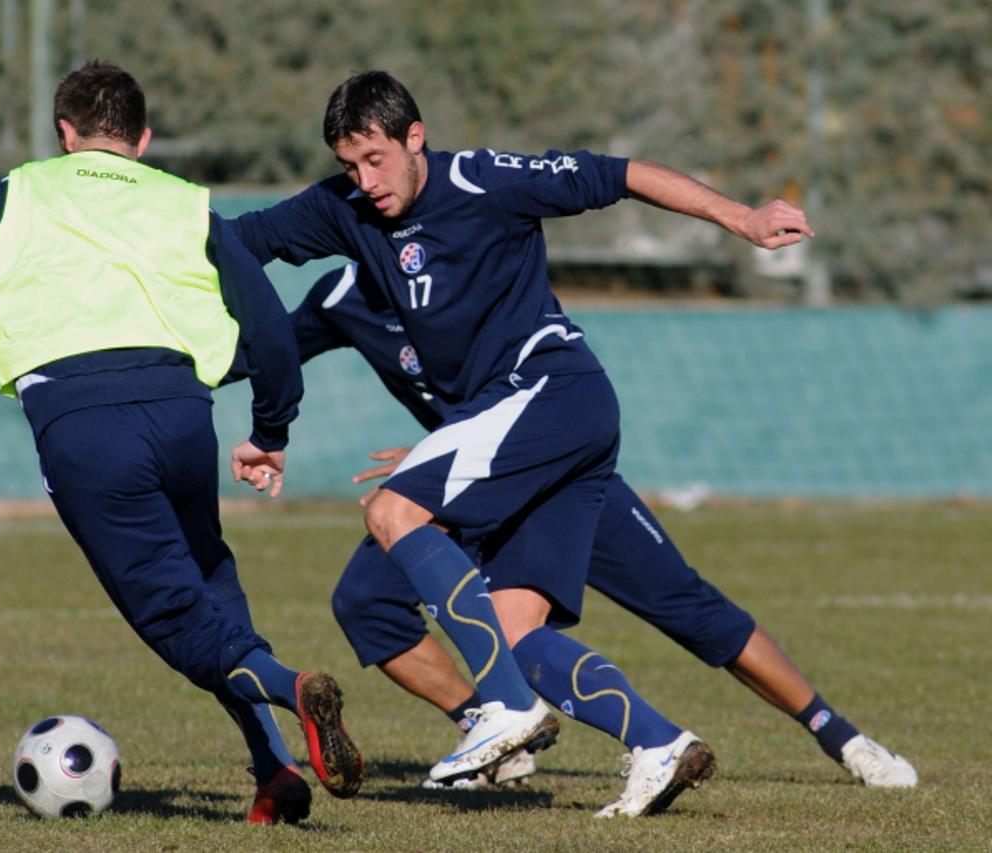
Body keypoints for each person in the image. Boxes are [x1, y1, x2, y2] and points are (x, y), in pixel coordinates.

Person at [229, 69, 819, 817]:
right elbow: (238, 240)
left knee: (392, 511)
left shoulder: (485, 181)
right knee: (515, 634)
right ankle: (660, 745)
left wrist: (742, 218)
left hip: (551, 391)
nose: (365, 181)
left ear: (416, 138)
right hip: (538, 426)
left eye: (376, 159)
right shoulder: (345, 207)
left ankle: (503, 709)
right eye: (350, 165)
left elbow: (621, 175)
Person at [0, 61, 362, 825]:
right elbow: (268, 321)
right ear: (143, 139)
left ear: (65, 133)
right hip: (181, 411)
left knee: (174, 614)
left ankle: (291, 686)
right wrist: (271, 427)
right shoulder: (184, 200)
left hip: (83, 422)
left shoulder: (22, 191)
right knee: (211, 580)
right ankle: (274, 768)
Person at [237, 261, 917, 791]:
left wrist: (438, 443)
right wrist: (181, 365)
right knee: (366, 600)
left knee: (690, 609)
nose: (376, 207)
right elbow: (264, 350)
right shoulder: (340, 296)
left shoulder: (476, 263)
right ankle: (497, 732)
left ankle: (842, 736)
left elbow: (541, 372)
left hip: (555, 469)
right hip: (461, 489)